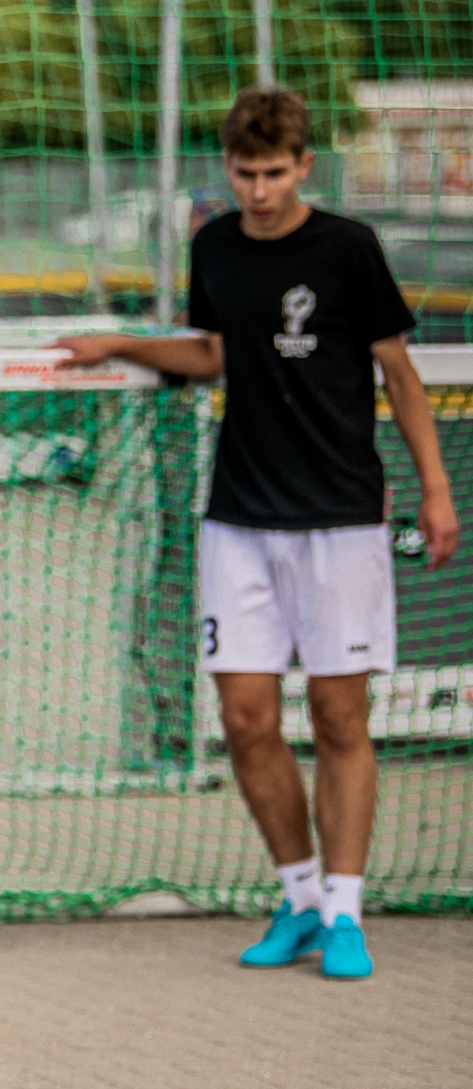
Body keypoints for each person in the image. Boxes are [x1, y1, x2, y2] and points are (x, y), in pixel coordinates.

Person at [56, 87, 459, 979]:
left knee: (340, 718)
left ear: (304, 166)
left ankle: (346, 913)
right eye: (246, 174)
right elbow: (212, 354)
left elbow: (399, 374)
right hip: (238, 517)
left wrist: (436, 491)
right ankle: (301, 897)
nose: (261, 190)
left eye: (275, 173)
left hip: (341, 518)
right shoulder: (215, 246)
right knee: (244, 719)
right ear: (228, 170)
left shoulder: (349, 248)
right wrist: (118, 343)